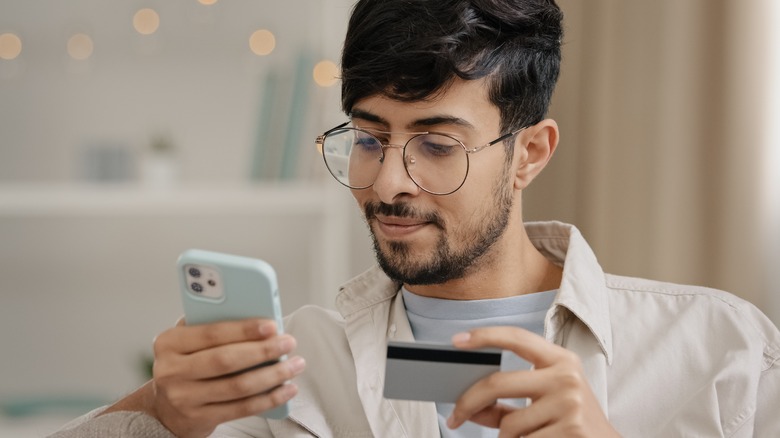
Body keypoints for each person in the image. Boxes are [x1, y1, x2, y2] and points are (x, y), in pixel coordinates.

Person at [53, 0, 780, 436]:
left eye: (436, 145)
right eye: (369, 138)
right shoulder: (292, 367)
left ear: (530, 153)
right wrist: (160, 412)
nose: (388, 183)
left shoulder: (722, 352)